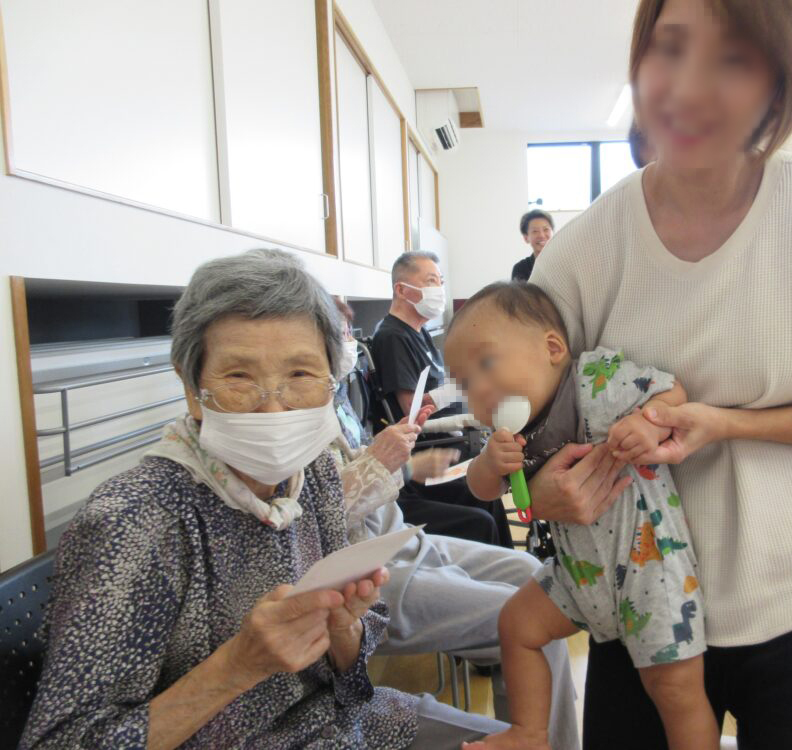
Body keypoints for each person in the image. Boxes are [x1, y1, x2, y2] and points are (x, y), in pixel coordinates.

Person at [524, 1, 792, 748]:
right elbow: (517, 416)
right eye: (670, 49)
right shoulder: (586, 248)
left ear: (783, 82)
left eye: (733, 60)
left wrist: (728, 423)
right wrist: (539, 490)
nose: (688, 86)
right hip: (639, 608)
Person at [19, 249, 508, 749]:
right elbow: (63, 741)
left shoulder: (313, 472)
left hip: (354, 725)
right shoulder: (135, 522)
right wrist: (239, 665)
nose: (273, 407)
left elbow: (353, 667)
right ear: (192, 389)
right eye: (238, 377)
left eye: (300, 375)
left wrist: (344, 631)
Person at [445, 282, 717, 750]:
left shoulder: (596, 382)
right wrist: (490, 464)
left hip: (650, 571)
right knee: (517, 625)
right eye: (466, 384)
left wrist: (646, 418)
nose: (481, 390)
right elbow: (483, 490)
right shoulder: (509, 435)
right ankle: (530, 732)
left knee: (676, 690)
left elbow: (674, 392)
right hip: (576, 575)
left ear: (552, 348)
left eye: (487, 364)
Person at [326, 312, 581, 749]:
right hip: (372, 571)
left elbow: (348, 469)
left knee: (531, 571)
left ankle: (538, 726)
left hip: (399, 535)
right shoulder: (284, 429)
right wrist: (392, 464)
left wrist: (398, 444)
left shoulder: (333, 401)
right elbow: (313, 517)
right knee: (537, 626)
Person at [372, 251, 513, 548]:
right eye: (431, 281)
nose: (439, 288)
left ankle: (514, 571)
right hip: (430, 448)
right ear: (402, 289)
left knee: (492, 489)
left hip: (454, 437)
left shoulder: (419, 333)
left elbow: (443, 391)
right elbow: (413, 410)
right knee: (486, 487)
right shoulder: (393, 337)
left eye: (441, 281)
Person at [512, 210, 555, 282]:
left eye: (546, 229)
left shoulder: (565, 263)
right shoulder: (520, 268)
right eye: (535, 231)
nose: (541, 235)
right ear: (526, 238)